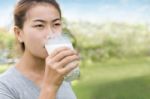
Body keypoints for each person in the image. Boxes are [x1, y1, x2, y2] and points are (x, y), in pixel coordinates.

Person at [0, 0, 80, 99]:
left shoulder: (60, 73)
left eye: (56, 24)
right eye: (39, 25)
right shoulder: (4, 87)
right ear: (19, 34)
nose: (51, 35)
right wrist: (50, 86)